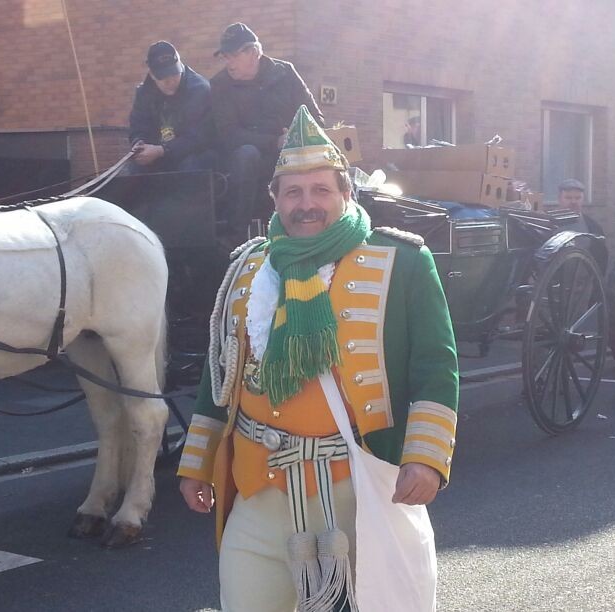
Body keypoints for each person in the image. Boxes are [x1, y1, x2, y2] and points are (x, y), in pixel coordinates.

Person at [178, 106, 458, 611]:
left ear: (346, 194)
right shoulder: (248, 266)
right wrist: (198, 461)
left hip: (357, 493)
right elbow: (220, 370)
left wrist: (425, 456)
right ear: (276, 199)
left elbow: (435, 366)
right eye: (293, 192)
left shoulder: (403, 262)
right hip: (258, 490)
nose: (306, 204)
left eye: (320, 190)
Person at [211, 23, 325, 241]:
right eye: (225, 57)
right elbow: (229, 135)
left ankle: (326, 228)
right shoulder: (220, 84)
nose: (229, 63)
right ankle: (236, 237)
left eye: (234, 56)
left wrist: (297, 134)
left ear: (254, 52)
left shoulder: (285, 72)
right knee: (246, 154)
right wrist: (275, 142)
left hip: (291, 152)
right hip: (249, 156)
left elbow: (315, 118)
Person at [127, 41, 215, 173]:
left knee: (191, 165)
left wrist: (162, 150)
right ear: (152, 75)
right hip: (158, 154)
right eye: (163, 77)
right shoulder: (144, 92)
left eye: (174, 73)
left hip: (193, 152)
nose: (170, 81)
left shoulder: (199, 89)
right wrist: (139, 142)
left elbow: (199, 137)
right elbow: (138, 125)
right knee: (135, 168)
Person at [558, 178, 608, 271]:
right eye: (568, 198)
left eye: (578, 198)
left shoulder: (594, 228)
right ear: (560, 199)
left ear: (582, 200)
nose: (573, 202)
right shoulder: (547, 225)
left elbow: (601, 259)